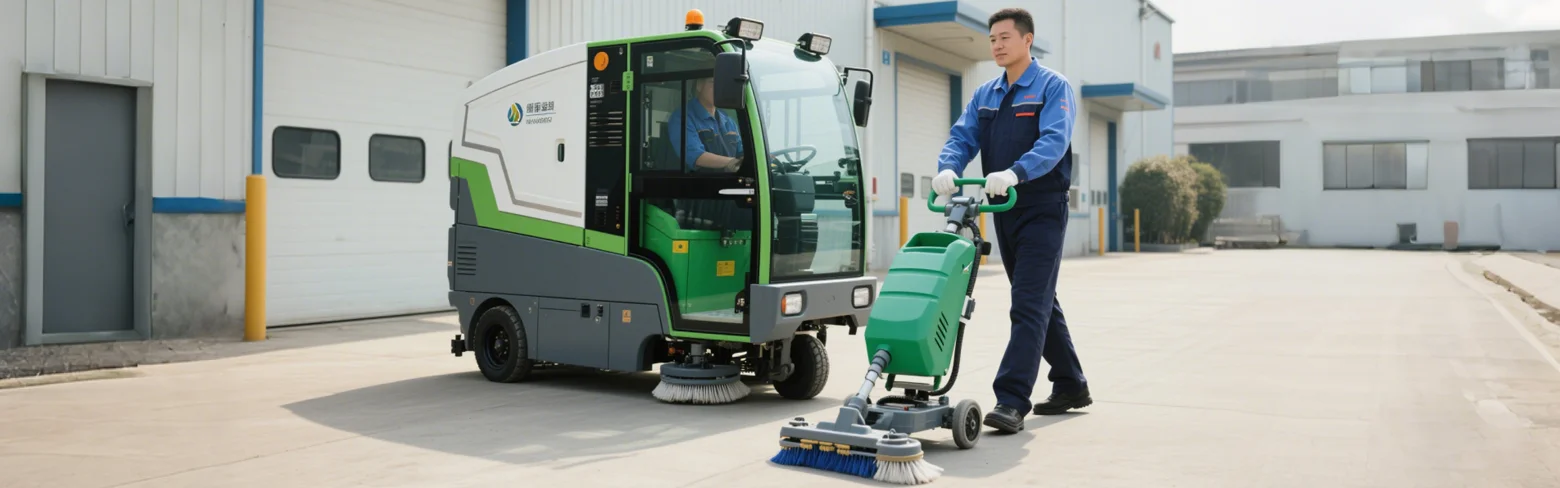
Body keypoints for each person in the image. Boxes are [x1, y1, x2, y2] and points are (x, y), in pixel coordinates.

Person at [931, 7, 1090, 434]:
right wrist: (948, 166)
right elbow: (963, 136)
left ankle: (1011, 398)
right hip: (1003, 208)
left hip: (1041, 206)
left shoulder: (1052, 87)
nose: (997, 45)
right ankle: (1072, 384)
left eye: (1005, 38)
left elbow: (1054, 140)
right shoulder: (985, 93)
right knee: (1037, 300)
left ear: (1027, 40)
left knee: (1027, 303)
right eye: (992, 39)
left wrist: (1016, 172)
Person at [667, 77, 744, 173]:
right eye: (713, 82)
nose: (719, 88)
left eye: (722, 84)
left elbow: (742, 153)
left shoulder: (729, 122)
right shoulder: (683, 117)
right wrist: (733, 163)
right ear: (699, 85)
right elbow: (695, 156)